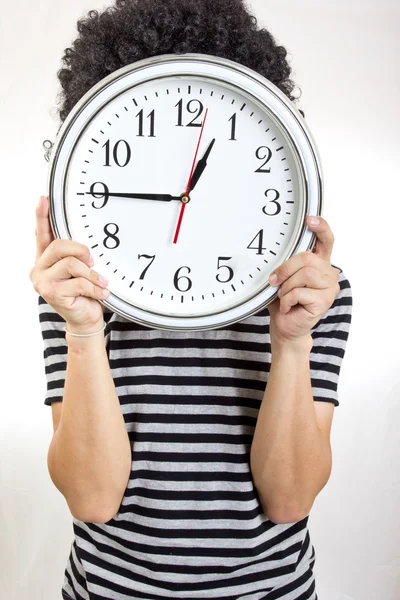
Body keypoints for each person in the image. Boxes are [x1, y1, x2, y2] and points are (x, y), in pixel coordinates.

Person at [30, 1, 353, 599]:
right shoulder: (76, 289)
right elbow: (92, 500)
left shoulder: (312, 292)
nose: (186, 200)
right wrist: (82, 330)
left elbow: (289, 500)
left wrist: (292, 340)